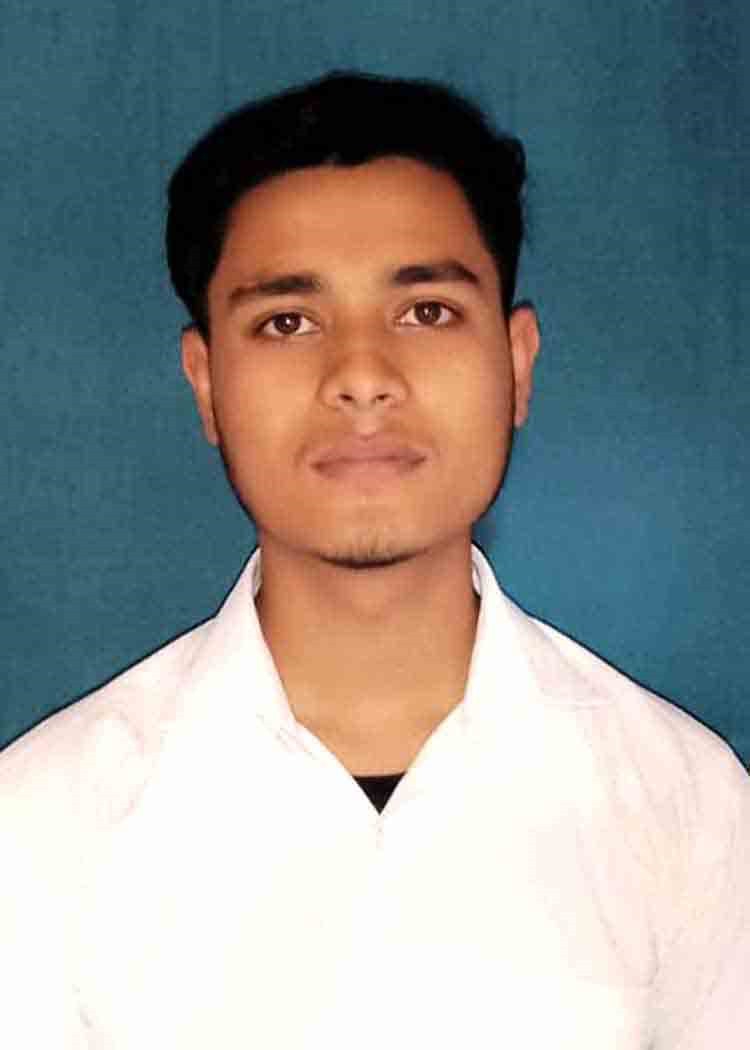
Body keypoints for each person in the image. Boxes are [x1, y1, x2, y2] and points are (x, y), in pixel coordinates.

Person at [1, 71, 748, 1048]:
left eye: (426, 311)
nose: (360, 376)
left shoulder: (688, 806)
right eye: (288, 322)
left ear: (517, 362)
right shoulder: (40, 824)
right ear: (207, 384)